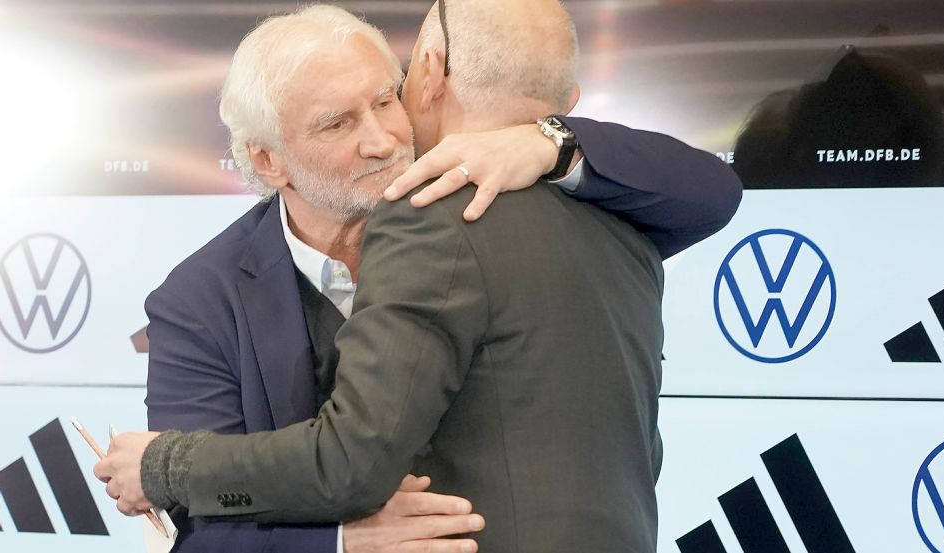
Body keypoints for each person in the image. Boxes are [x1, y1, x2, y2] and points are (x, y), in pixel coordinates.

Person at [95, 2, 742, 552]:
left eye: (384, 98)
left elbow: (711, 186)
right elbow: (199, 529)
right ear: (269, 160)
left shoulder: (512, 201)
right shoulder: (199, 298)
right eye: (337, 123)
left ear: (422, 79)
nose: (381, 139)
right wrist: (342, 542)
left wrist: (551, 142)